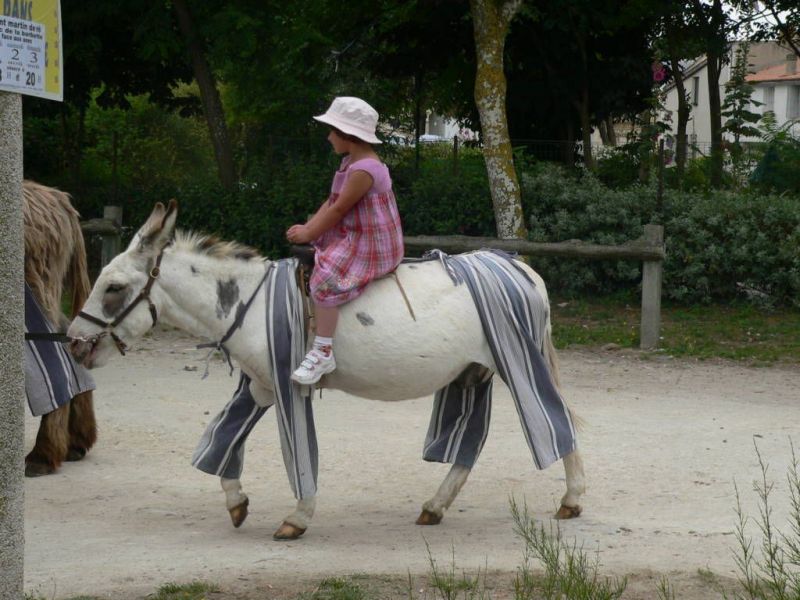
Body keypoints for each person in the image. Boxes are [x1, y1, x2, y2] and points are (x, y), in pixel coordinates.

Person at [286, 96, 404, 385]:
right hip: (356, 231)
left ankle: (323, 350)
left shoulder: (364, 170)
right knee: (314, 252)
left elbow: (339, 209)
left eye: (332, 131)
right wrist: (309, 227)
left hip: (373, 244)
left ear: (348, 136)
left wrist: (311, 234)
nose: (328, 137)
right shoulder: (351, 162)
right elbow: (333, 201)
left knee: (324, 281)